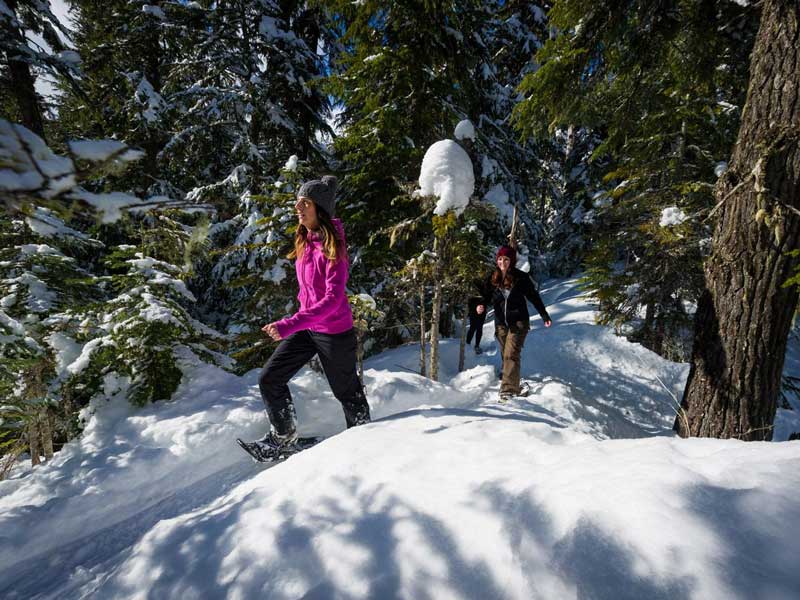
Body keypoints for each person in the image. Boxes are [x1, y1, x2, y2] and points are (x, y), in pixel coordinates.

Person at [249, 175, 371, 454]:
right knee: (269, 378)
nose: (298, 207)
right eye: (297, 202)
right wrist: (299, 321)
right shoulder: (304, 240)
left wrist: (290, 323)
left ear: (320, 208)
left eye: (305, 202)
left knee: (348, 394)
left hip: (334, 333)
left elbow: (332, 299)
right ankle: (283, 437)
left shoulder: (334, 247)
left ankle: (365, 444)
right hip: (308, 328)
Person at [478, 245, 552, 401]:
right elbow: (486, 294)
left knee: (511, 354)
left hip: (519, 322)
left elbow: (534, 297)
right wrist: (482, 305)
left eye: (506, 259)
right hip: (501, 323)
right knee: (506, 354)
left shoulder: (521, 278)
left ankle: (509, 390)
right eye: (500, 259)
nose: (502, 262)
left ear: (511, 261)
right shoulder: (493, 277)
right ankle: (511, 379)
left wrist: (544, 315)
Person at [466, 278, 491, 354]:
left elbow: (488, 296)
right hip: (473, 307)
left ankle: (476, 345)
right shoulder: (472, 278)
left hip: (482, 307)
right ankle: (468, 344)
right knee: (473, 327)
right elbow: (469, 298)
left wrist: (484, 304)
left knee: (479, 328)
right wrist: (475, 306)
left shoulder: (487, 280)